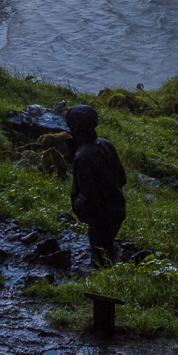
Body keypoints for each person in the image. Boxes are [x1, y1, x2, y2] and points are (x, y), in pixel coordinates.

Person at [66, 105, 127, 266]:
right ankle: (112, 267)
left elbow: (89, 196)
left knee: (99, 258)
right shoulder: (105, 144)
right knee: (106, 249)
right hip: (117, 209)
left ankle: (102, 283)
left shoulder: (83, 157)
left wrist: (77, 207)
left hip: (100, 218)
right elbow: (122, 178)